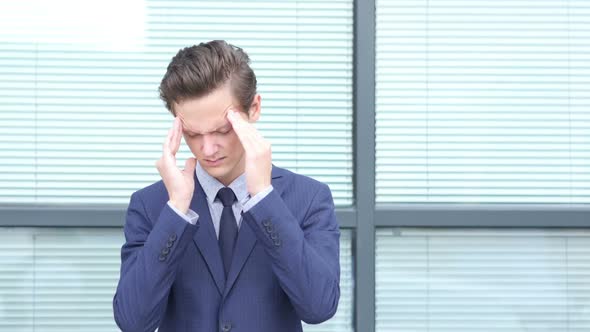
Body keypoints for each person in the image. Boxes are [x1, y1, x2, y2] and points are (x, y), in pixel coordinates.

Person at [112, 40, 340, 332]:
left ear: (254, 108)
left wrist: (264, 200)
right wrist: (176, 212)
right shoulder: (152, 205)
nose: (208, 149)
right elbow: (133, 322)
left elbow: (319, 306)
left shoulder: (309, 198)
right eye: (193, 134)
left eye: (223, 130)